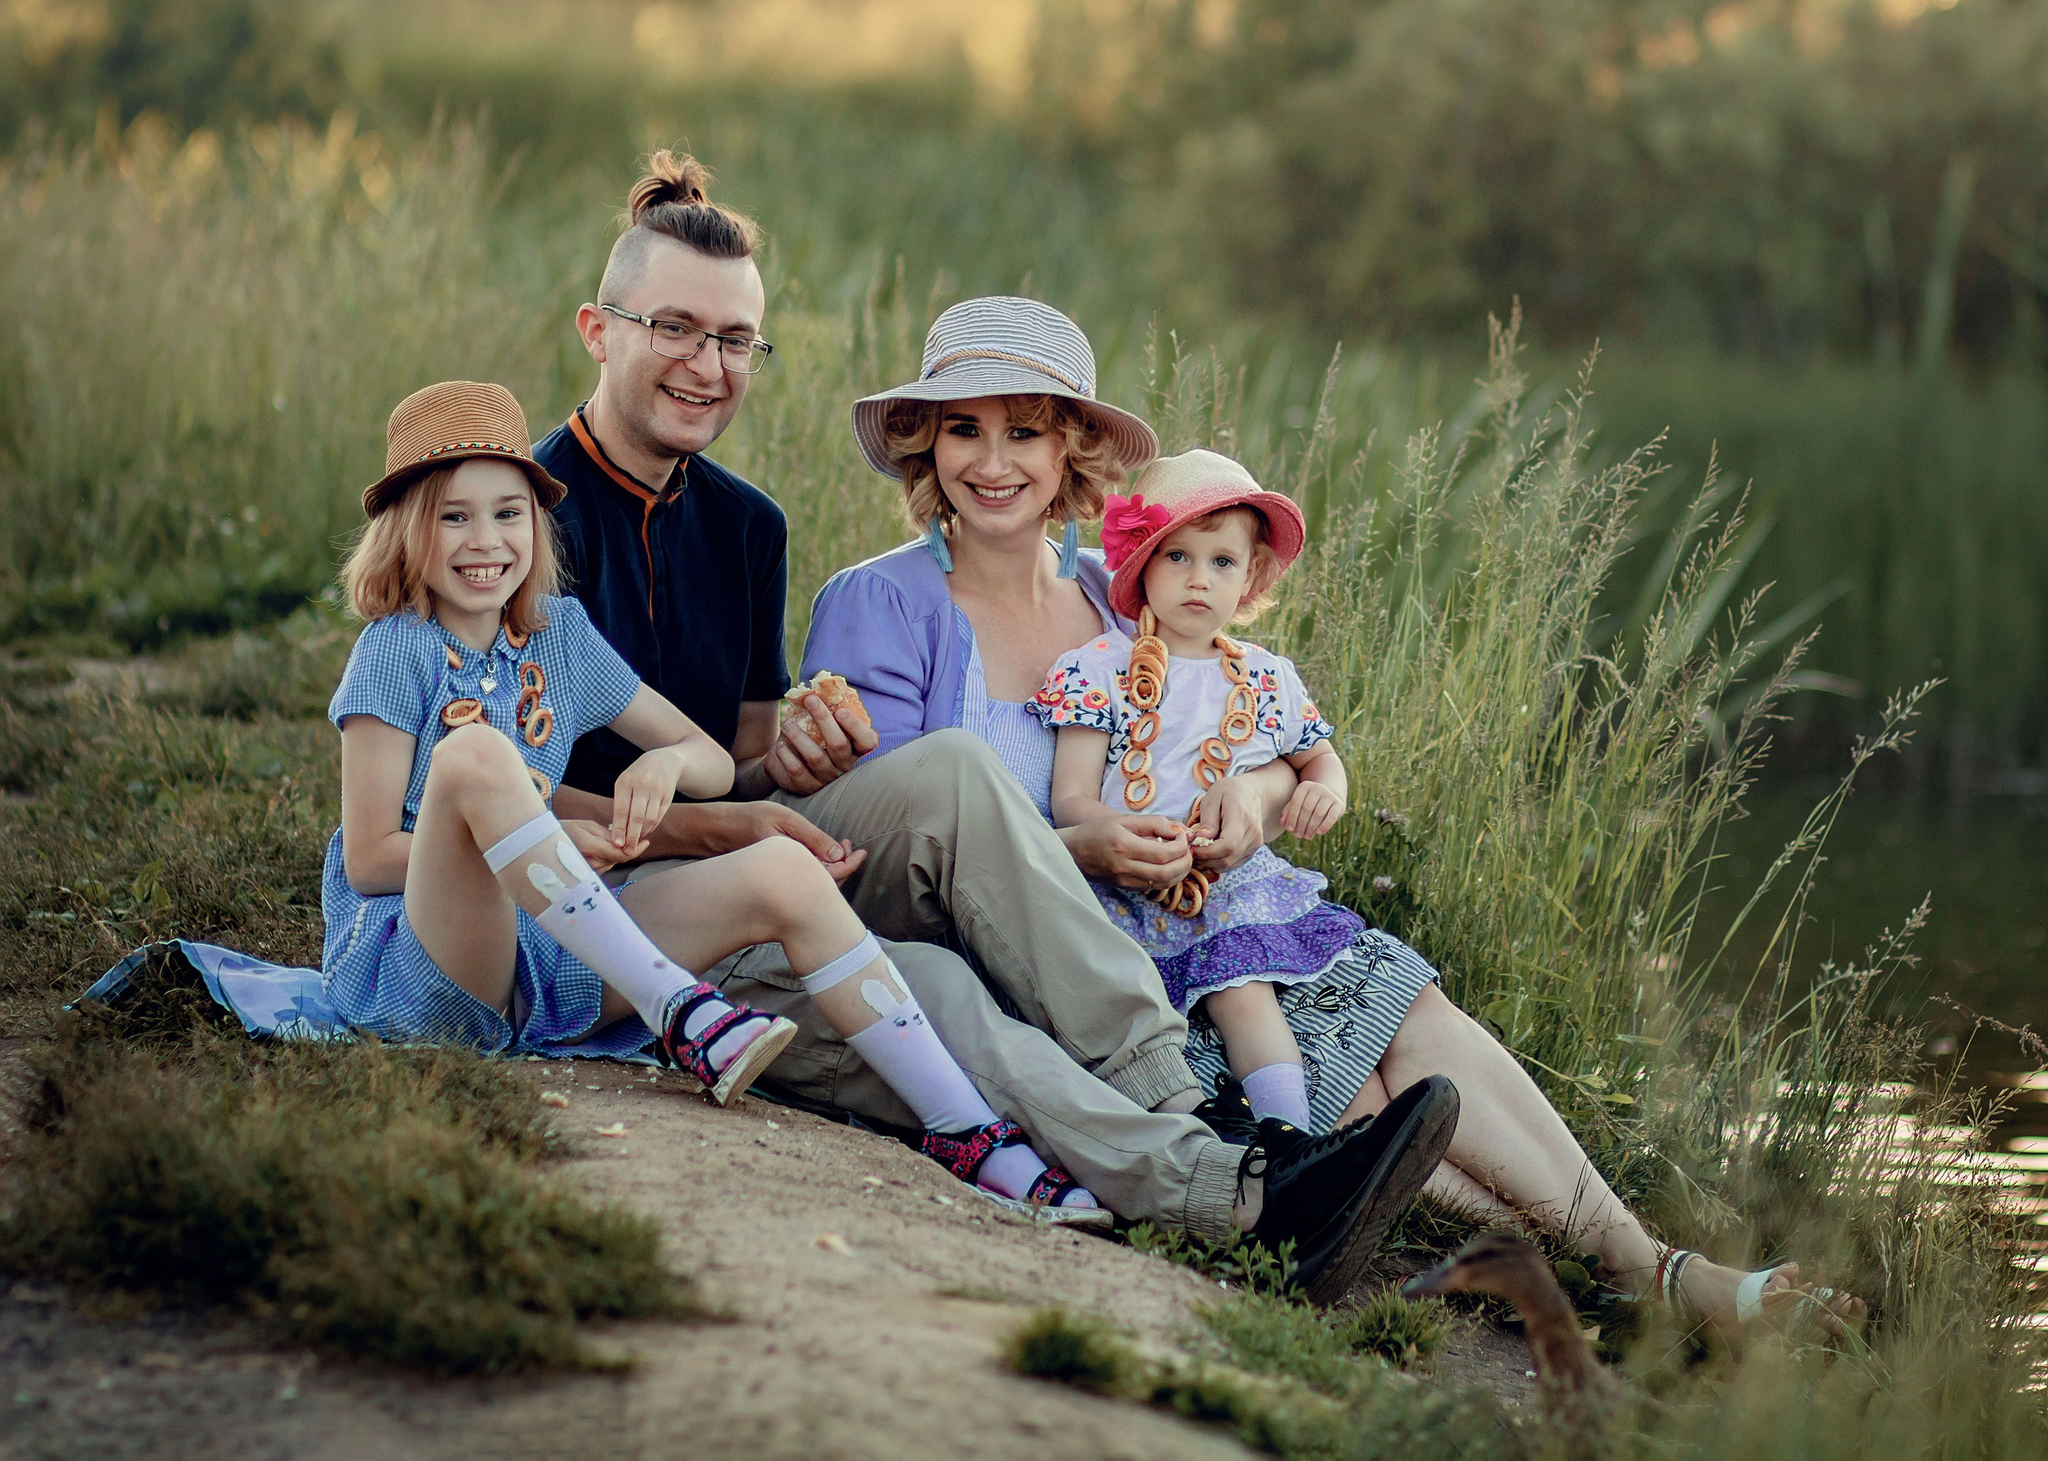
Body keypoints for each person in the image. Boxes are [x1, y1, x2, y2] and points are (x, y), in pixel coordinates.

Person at [534, 154, 1461, 1301]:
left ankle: (1206, 1124)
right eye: (674, 328)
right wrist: (729, 826)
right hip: (610, 916)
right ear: (597, 328)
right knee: (936, 989)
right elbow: (476, 799)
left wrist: (795, 757)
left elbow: (742, 752)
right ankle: (1238, 1190)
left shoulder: (745, 526)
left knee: (953, 812)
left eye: (733, 339)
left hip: (764, 879)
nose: (706, 364)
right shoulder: (515, 522)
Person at [819, 336, 1865, 1335]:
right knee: (1355, 1089)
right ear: (927, 448)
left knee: (1390, 997)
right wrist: (1085, 851)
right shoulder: (882, 602)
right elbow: (907, 854)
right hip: (1062, 972)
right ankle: (1623, 1273)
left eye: (1027, 433)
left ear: (1071, 453)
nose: (994, 463)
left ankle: (1639, 1267)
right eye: (963, 431)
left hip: (1194, 908)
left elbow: (1243, 717)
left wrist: (1258, 794)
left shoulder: (1120, 588)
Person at [325, 379, 1097, 1216]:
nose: (487, 541)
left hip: (550, 959)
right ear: (408, 529)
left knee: (781, 871)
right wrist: (546, 847)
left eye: (508, 512)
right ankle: (680, 1008)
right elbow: (369, 860)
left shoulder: (561, 633)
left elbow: (713, 760)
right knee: (476, 754)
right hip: (432, 967)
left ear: (537, 525)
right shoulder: (393, 649)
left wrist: (662, 768)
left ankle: (969, 1130)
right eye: (454, 516)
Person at [1033, 450, 1381, 1141]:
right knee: (1137, 1015)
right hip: (1127, 880)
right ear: (1141, 564)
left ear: (1251, 576)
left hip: (1224, 883)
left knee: (1242, 989)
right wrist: (1122, 830)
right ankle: (1183, 1135)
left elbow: (1321, 761)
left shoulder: (1265, 675)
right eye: (1179, 557)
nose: (1199, 579)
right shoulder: (1096, 667)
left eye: (1222, 561)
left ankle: (1286, 1140)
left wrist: (1326, 793)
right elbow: (1071, 796)